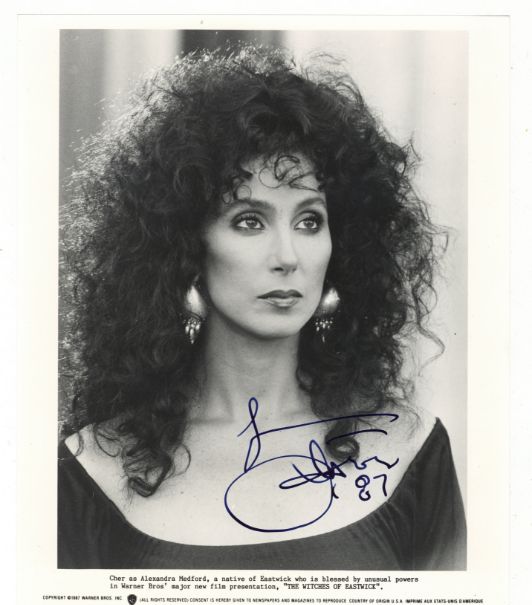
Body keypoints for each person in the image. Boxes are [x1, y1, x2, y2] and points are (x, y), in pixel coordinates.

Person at [58, 44, 466, 570]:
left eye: (310, 221)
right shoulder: (90, 468)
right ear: (185, 247)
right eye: (249, 221)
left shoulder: (410, 449)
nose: (288, 257)